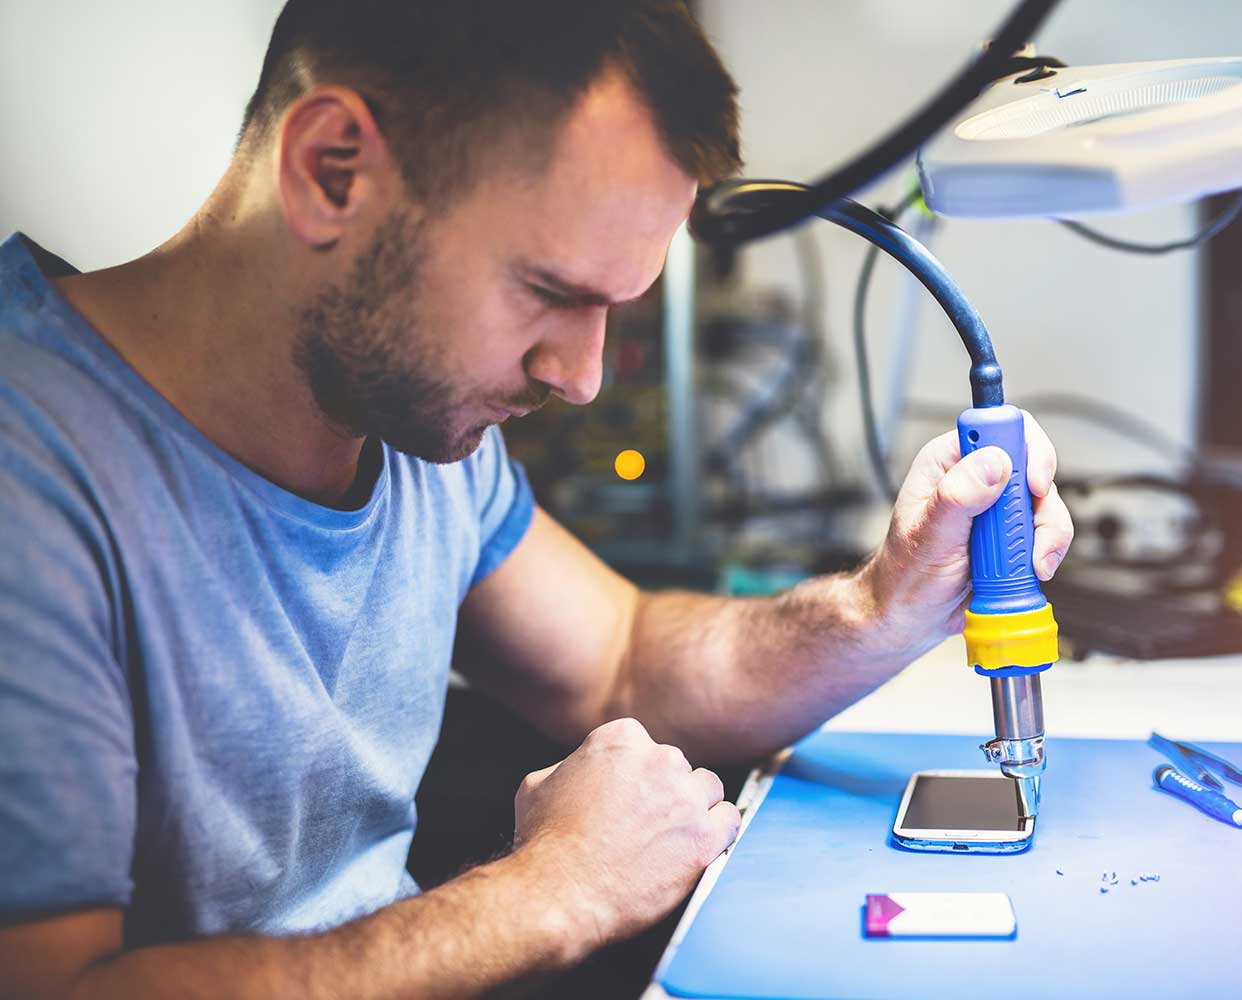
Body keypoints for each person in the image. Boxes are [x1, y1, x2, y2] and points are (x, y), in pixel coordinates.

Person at [0, 2, 1073, 997]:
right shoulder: (33, 477)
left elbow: (621, 659)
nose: (584, 377)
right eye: (553, 293)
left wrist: (890, 602)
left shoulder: (412, 423)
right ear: (332, 171)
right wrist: (551, 890)